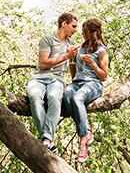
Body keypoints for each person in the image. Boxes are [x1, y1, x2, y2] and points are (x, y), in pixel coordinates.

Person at [26, 12, 79, 153]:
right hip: (38, 78)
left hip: (57, 80)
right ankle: (47, 139)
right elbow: (44, 63)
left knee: (54, 97)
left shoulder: (72, 44)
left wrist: (73, 59)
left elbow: (72, 65)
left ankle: (47, 140)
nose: (75, 30)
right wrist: (66, 55)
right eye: (73, 26)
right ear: (64, 24)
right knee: (35, 96)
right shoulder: (47, 39)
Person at [62, 17, 109, 162]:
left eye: (85, 31)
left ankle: (83, 141)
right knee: (66, 93)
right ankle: (86, 132)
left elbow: (104, 76)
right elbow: (74, 75)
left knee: (77, 98)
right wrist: (71, 59)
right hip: (78, 82)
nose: (82, 33)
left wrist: (93, 64)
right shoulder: (81, 48)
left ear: (93, 32)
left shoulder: (102, 51)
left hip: (93, 85)